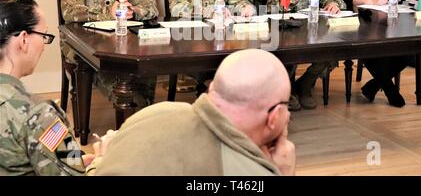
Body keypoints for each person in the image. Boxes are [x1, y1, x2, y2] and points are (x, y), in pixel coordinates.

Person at [94, 49, 296, 176]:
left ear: (213, 88)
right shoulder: (250, 172)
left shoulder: (153, 113)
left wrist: (100, 162)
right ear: (275, 116)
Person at [0, 0, 107, 175]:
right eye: (43, 35)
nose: (43, 44)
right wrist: (101, 162)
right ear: (24, 39)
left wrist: (73, 161)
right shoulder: (38, 115)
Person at [60, 0, 159, 107]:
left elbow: (151, 8)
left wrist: (132, 11)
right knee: (120, 83)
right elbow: (71, 13)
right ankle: (128, 109)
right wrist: (109, 12)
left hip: (123, 42)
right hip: (87, 45)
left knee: (147, 66)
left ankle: (141, 112)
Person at [265, 0, 346, 110]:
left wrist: (332, 3)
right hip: (283, 26)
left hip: (312, 24)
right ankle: (287, 91)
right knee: (291, 48)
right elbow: (284, 4)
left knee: (333, 46)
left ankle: (305, 84)